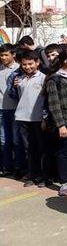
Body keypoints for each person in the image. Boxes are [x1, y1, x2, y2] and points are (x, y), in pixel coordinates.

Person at [44, 49, 67, 197]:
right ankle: (64, 181)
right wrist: (61, 125)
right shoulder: (55, 80)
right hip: (64, 121)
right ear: (66, 62)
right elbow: (54, 104)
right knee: (63, 152)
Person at [9, 50, 49, 187]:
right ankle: (32, 174)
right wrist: (14, 87)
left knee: (42, 148)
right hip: (22, 117)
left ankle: (45, 176)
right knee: (29, 148)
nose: (27, 67)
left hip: (38, 119)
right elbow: (15, 97)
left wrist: (45, 117)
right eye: (24, 64)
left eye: (30, 64)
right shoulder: (19, 79)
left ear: (37, 62)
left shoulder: (44, 78)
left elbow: (47, 101)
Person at [0, 45, 21, 177]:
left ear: (13, 55)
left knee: (16, 140)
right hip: (1, 109)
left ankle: (19, 167)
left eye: (6, 55)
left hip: (15, 109)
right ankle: (6, 166)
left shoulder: (20, 69)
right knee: (3, 140)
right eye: (1, 55)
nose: (3, 58)